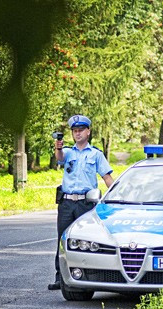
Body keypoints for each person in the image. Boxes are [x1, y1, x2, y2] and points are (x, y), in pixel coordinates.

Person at [48, 115, 114, 290]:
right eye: (74, 131)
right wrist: (58, 147)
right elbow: (60, 157)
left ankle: (86, 275)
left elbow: (107, 177)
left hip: (86, 204)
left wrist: (115, 196)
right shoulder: (68, 152)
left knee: (85, 240)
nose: (77, 134)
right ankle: (60, 277)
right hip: (67, 203)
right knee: (63, 239)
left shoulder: (96, 154)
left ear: (88, 131)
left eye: (80, 130)